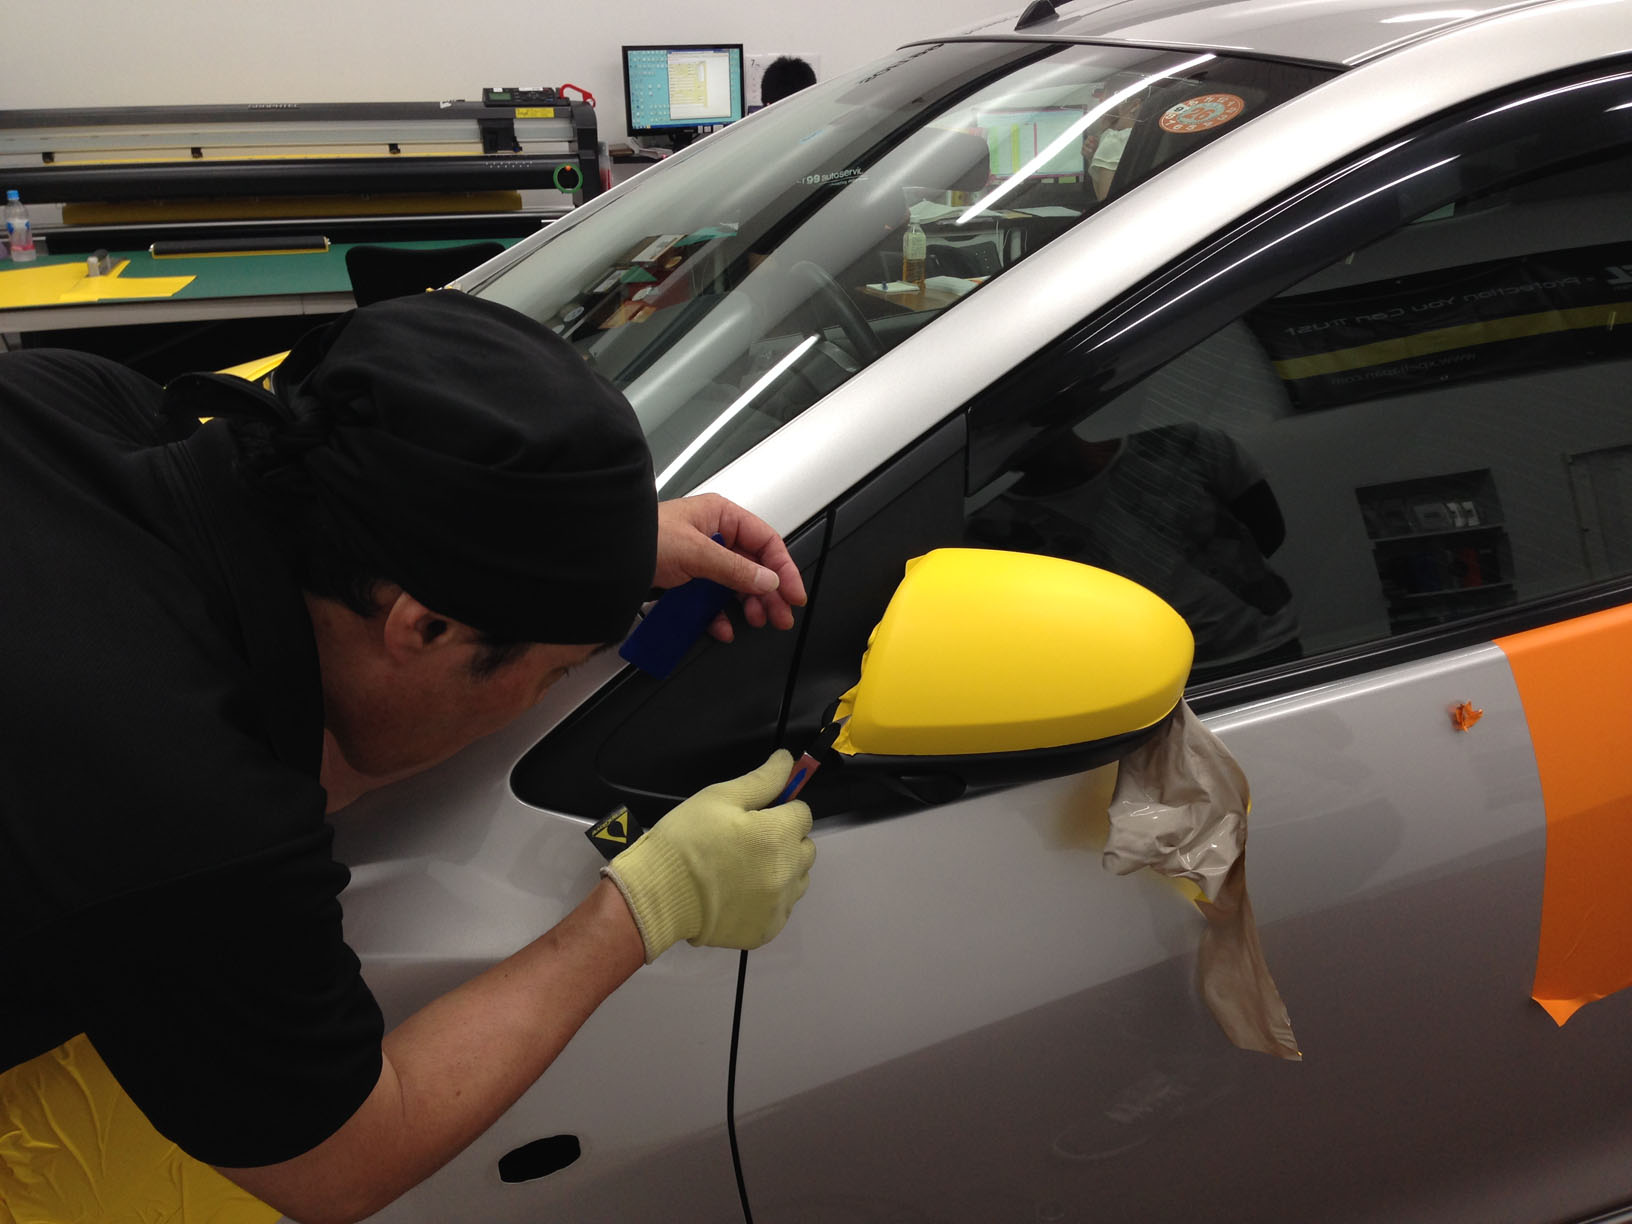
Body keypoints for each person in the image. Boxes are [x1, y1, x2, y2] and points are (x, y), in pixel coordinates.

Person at [0, 291, 816, 1222]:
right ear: (424, 627)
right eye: (557, 672)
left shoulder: (74, 398)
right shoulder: (186, 813)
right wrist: (649, 904)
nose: (555, 689)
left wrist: (595, 544)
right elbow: (343, 1160)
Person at [968, 421, 1300, 675]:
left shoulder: (1186, 444)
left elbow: (1269, 532)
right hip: (1142, 678)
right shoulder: (992, 528)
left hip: (1266, 646)